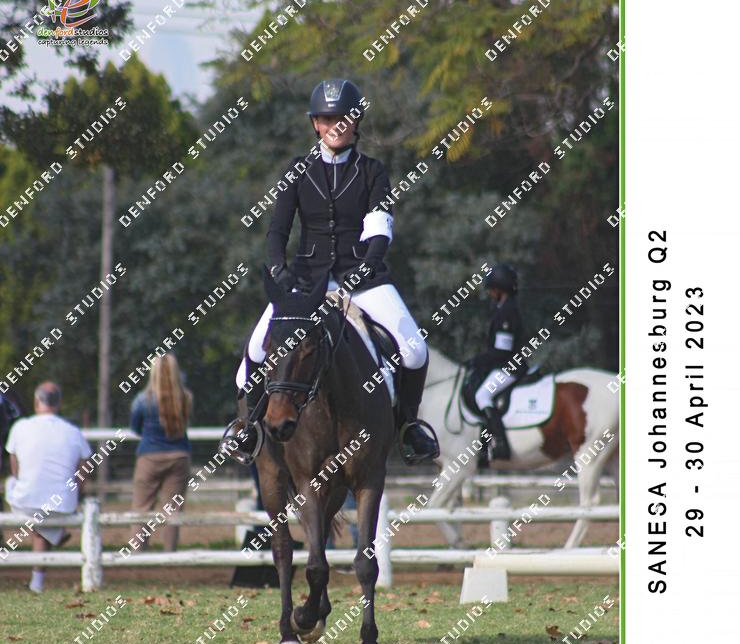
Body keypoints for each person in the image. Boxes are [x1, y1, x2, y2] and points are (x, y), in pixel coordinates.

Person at [222, 77, 439, 466]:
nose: (334, 126)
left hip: (364, 279)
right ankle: (249, 427)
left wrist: (369, 263)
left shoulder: (373, 171)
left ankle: (409, 427)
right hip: (307, 281)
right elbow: (278, 230)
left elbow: (379, 229)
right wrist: (279, 268)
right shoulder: (298, 169)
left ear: (355, 121)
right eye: (326, 119)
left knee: (414, 349)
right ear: (315, 124)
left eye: (342, 118)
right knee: (255, 349)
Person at [4, 382, 91, 593]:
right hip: (63, 504)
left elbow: (16, 471)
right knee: (45, 523)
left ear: (36, 402)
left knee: (11, 484)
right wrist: (75, 494)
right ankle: (38, 581)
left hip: (26, 501)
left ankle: (51, 537)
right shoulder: (73, 431)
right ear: (59, 403)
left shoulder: (20, 427)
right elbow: (84, 469)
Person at [129, 354, 192, 552]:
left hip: (149, 457)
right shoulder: (186, 398)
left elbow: (135, 427)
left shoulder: (142, 400)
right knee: (173, 510)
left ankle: (138, 552)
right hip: (179, 457)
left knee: (142, 508)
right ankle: (169, 553)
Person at [471, 263, 528, 461]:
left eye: (491, 289)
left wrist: (477, 361)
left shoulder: (507, 312)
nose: (489, 293)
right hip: (503, 365)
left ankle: (500, 443)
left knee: (482, 395)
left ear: (499, 289)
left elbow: (502, 351)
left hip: (510, 367)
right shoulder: (503, 308)